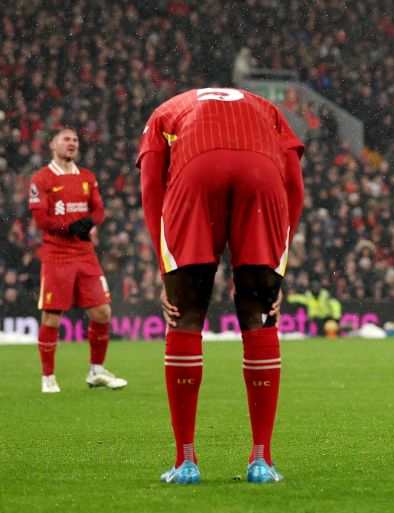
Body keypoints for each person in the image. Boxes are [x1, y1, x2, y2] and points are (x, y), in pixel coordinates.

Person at [136, 87, 305, 484]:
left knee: (187, 315)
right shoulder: (266, 109)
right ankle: (261, 461)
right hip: (262, 173)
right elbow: (294, 184)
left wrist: (167, 267)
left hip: (196, 171)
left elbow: (150, 189)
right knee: (259, 315)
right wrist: (277, 264)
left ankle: (186, 463)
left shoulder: (166, 111)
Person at [28, 127, 127, 393]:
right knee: (52, 316)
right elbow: (41, 220)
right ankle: (48, 377)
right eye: (66, 139)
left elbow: (99, 209)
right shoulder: (41, 179)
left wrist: (89, 222)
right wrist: (69, 228)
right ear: (53, 145)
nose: (72, 144)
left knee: (102, 311)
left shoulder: (87, 177)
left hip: (84, 254)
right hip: (56, 254)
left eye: (75, 140)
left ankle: (96, 370)